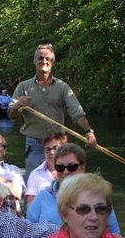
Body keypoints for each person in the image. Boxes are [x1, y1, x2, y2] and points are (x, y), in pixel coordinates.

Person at [8, 43, 97, 181]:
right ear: (34, 61)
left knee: (63, 181)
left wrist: (88, 131)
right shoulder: (23, 87)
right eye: (40, 58)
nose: (44, 61)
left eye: (48, 59)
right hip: (35, 144)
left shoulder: (62, 87)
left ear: (52, 62)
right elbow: (11, 114)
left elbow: (76, 112)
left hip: (58, 144)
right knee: (34, 182)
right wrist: (18, 105)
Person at [27, 142, 121, 234]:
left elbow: (115, 234)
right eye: (60, 167)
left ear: (82, 168)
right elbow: (28, 232)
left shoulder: (98, 197)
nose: (66, 171)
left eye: (72, 167)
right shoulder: (43, 197)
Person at [25, 132, 67, 208]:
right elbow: (29, 206)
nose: (51, 152)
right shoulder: (35, 174)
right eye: (48, 149)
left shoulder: (71, 172)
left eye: (55, 148)